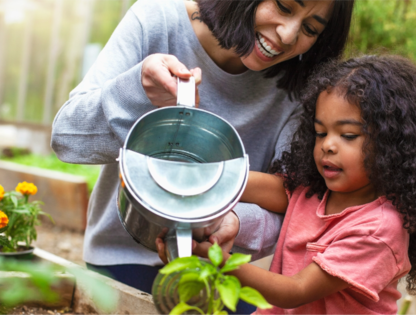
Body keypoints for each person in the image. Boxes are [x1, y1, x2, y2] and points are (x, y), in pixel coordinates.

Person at [50, 0, 356, 306]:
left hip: (219, 272)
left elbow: (293, 204)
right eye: (284, 7)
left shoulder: (300, 88)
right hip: (123, 258)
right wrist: (137, 90)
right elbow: (67, 138)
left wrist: (236, 220)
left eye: (310, 28)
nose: (288, 35)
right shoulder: (158, 19)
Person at [158, 55, 416, 314]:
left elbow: (296, 289)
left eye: (348, 135)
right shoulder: (317, 192)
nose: (328, 145)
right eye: (320, 132)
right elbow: (273, 189)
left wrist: (217, 261)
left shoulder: (380, 229)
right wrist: (210, 178)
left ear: (393, 143)